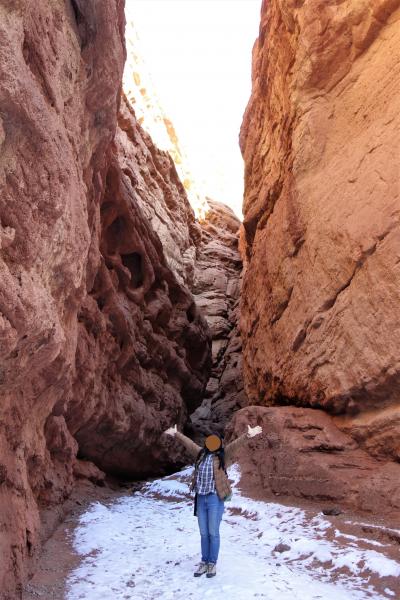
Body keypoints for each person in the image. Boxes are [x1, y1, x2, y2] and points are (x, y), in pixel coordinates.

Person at [164, 423, 262, 578]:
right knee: (204, 533)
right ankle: (204, 562)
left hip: (214, 499)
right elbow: (189, 444)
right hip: (201, 498)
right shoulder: (201, 454)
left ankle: (212, 563)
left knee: (213, 532)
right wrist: (176, 434)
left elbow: (236, 445)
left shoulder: (223, 456)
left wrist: (248, 435)